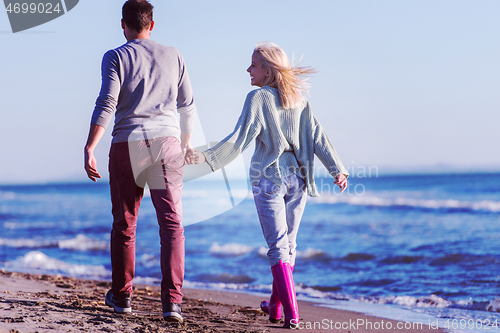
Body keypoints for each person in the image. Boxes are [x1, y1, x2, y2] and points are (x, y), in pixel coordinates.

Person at [187, 42, 349, 328]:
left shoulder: (258, 98)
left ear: (268, 70)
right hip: (298, 180)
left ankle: (292, 312)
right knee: (289, 245)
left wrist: (204, 159)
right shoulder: (299, 100)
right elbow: (319, 137)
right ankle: (276, 306)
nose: (248, 69)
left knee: (277, 247)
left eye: (253, 65)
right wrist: (338, 170)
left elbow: (239, 140)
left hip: (269, 179)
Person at [83, 0, 196, 323]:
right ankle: (172, 303)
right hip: (166, 145)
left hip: (127, 143)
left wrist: (90, 146)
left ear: (123, 24)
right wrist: (185, 144)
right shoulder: (174, 55)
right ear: (152, 24)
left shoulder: (116, 56)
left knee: (125, 225)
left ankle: (122, 298)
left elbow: (107, 101)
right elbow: (187, 105)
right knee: (172, 225)